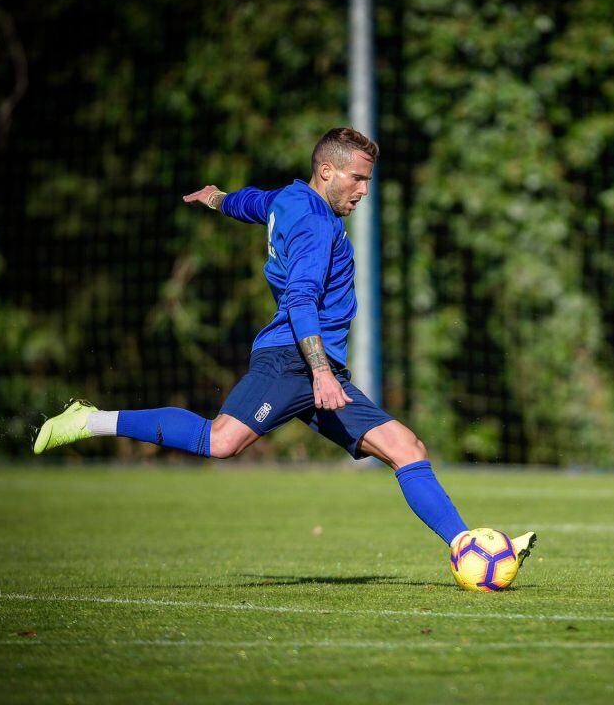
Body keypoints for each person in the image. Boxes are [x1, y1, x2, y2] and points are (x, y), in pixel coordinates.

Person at [33, 127, 535, 563]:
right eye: (356, 178)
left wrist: (217, 199)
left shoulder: (289, 199)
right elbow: (300, 298)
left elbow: (250, 201)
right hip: (294, 360)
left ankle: (471, 546)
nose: (364, 189)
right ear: (326, 171)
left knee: (406, 447)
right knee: (221, 441)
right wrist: (318, 372)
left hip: (316, 367)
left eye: (368, 179)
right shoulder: (318, 224)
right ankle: (90, 419)